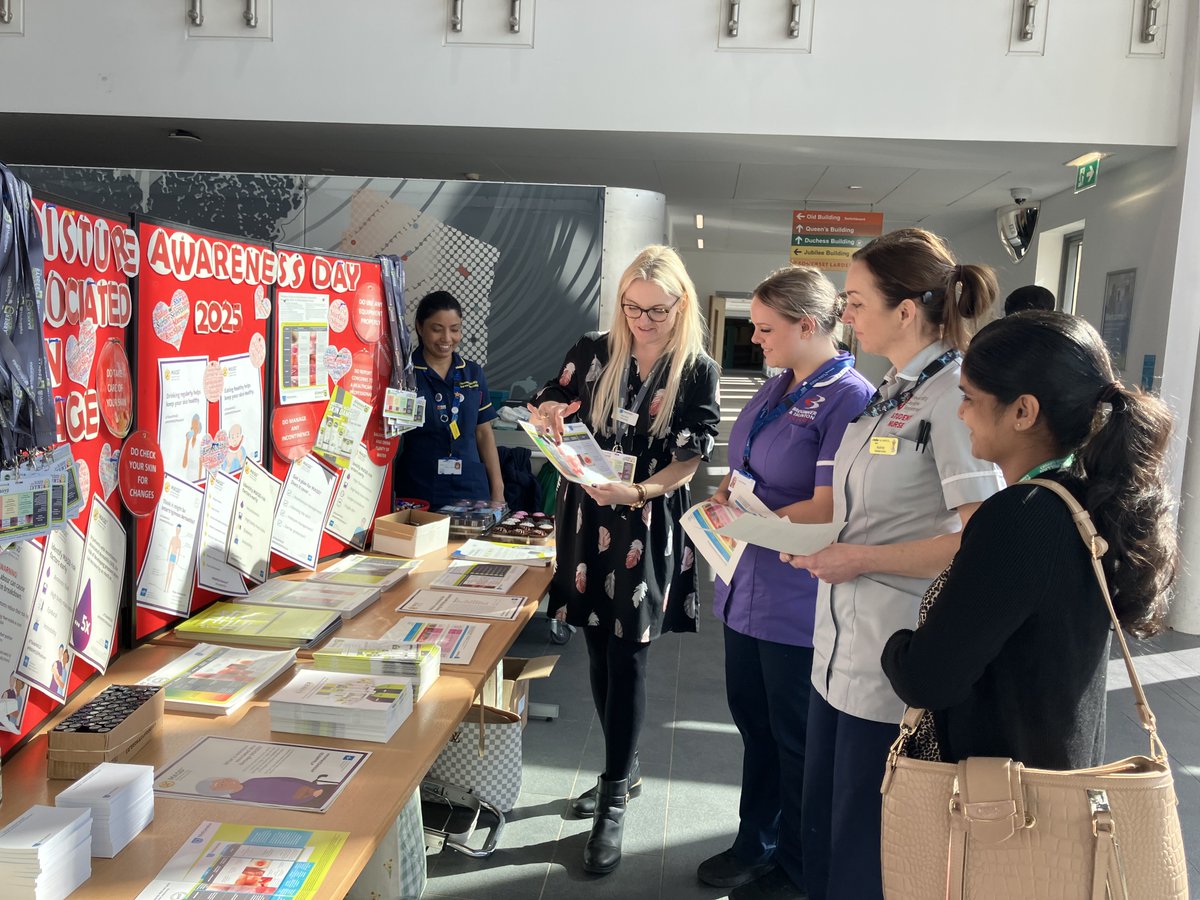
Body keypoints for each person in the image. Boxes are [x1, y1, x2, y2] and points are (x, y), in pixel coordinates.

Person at [782, 228, 1005, 900]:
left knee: (867, 850)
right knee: (823, 828)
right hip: (835, 651)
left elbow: (982, 539)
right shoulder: (892, 390)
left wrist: (859, 557)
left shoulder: (955, 401)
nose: (844, 316)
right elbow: (863, 506)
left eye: (855, 301)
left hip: (892, 662)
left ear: (906, 310)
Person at [881, 311, 1177, 769]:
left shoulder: (1020, 518)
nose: (961, 413)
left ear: (1023, 411)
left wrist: (894, 645)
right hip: (1057, 772)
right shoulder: (1085, 497)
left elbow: (928, 680)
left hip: (1004, 803)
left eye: (969, 398)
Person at [531, 245, 720, 876]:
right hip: (586, 517)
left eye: (657, 310)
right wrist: (550, 410)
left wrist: (637, 491)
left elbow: (691, 455)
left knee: (629, 651)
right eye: (632, 308)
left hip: (645, 515)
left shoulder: (695, 368)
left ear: (680, 304)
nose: (643, 320)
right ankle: (625, 767)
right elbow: (550, 393)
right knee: (595, 643)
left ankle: (613, 795)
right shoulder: (593, 349)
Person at [698, 267, 873, 899]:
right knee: (754, 722)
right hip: (745, 584)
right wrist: (727, 496)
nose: (755, 336)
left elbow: (831, 508)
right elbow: (746, 465)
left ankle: (798, 865)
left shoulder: (848, 397)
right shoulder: (777, 386)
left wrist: (744, 517)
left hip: (797, 598)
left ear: (808, 325)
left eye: (767, 328)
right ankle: (756, 839)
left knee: (796, 736)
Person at [393, 291, 504, 509]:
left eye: (454, 329)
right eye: (437, 329)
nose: (446, 338)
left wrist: (497, 491)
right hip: (419, 489)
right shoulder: (404, 375)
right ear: (419, 327)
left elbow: (483, 433)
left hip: (471, 489)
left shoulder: (472, 373)